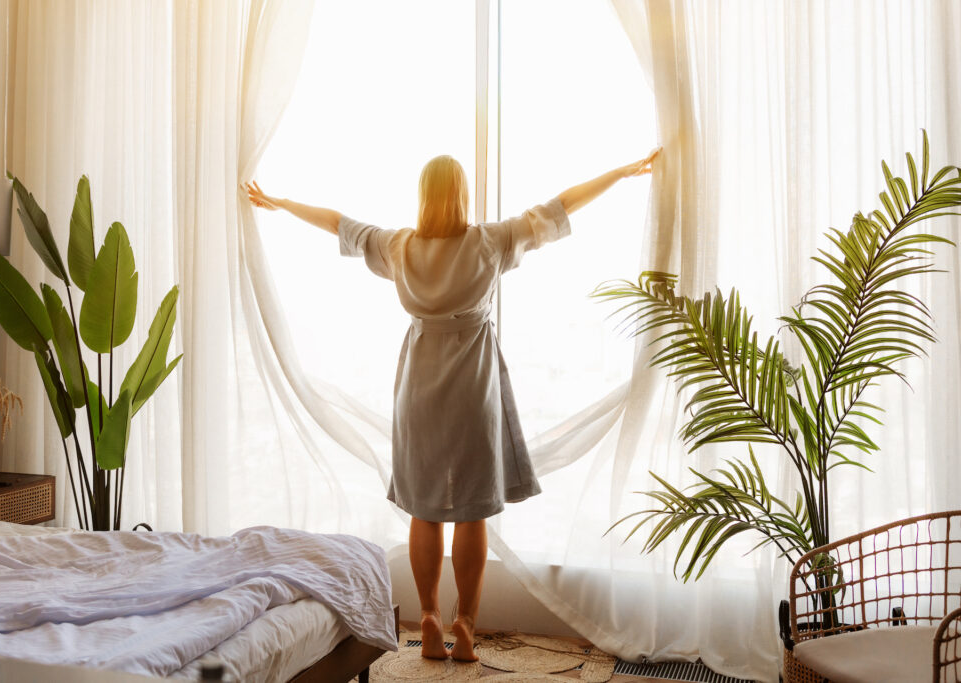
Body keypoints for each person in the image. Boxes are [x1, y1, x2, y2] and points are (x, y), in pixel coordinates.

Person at [242, 147, 659, 662]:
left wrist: (279, 202)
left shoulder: (399, 246)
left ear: (423, 197)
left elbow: (335, 223)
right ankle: (466, 623)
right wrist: (620, 173)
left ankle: (431, 618)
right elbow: (561, 206)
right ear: (461, 195)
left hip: (417, 389)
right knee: (472, 512)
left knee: (423, 509)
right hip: (472, 388)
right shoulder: (489, 241)